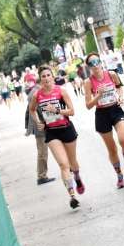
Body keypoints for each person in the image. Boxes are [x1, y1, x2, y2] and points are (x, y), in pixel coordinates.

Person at [29, 65, 83, 208]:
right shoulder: (37, 95)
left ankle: (77, 177)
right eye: (43, 77)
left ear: (53, 77)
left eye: (48, 75)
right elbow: (32, 109)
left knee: (72, 163)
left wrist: (57, 110)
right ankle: (72, 196)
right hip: (51, 132)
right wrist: (39, 122)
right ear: (40, 80)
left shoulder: (61, 91)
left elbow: (72, 111)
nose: (46, 78)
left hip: (66, 129)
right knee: (63, 164)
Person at [83, 53, 124, 188]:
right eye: (91, 63)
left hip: (115, 109)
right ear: (89, 67)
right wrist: (98, 96)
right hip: (102, 115)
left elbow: (119, 87)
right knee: (112, 149)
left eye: (96, 61)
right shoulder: (88, 82)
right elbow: (88, 105)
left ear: (101, 62)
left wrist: (120, 97)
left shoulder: (112, 74)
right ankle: (119, 176)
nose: (95, 65)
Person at [22, 72, 55, 185]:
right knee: (42, 152)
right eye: (45, 79)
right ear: (40, 81)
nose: (48, 82)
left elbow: (29, 111)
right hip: (40, 126)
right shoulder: (36, 93)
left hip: (41, 125)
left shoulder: (35, 91)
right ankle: (41, 176)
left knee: (45, 150)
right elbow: (36, 110)